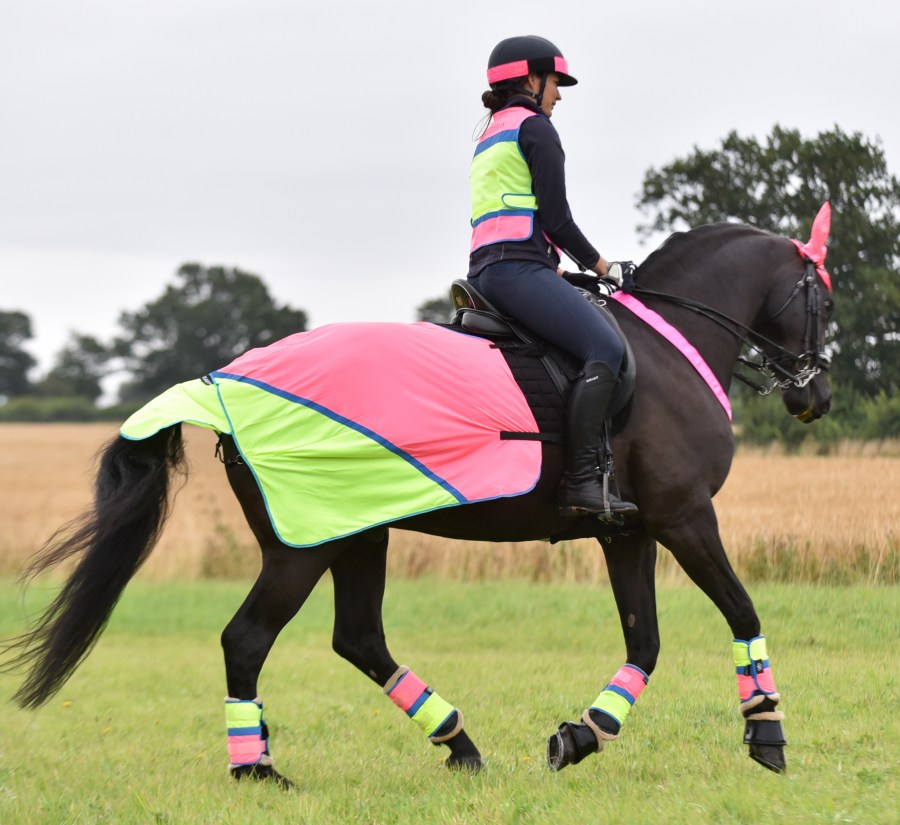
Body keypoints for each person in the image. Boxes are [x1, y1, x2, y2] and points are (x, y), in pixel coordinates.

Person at [467, 35, 638, 519]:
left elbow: (513, 217)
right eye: (555, 83)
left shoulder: (489, 133)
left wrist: (552, 265)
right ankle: (582, 481)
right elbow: (558, 219)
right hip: (516, 270)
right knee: (605, 348)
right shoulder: (536, 128)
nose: (558, 95)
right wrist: (607, 269)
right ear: (530, 80)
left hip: (489, 270)